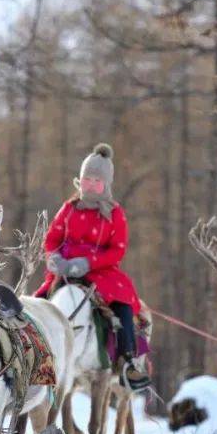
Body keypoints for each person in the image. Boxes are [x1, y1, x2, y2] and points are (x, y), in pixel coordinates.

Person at [35, 143, 151, 390]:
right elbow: (52, 238)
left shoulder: (115, 213)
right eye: (86, 180)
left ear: (106, 184)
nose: (89, 186)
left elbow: (117, 250)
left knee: (122, 305)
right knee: (39, 302)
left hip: (101, 272)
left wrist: (88, 262)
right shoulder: (69, 208)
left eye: (96, 182)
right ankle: (34, 356)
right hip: (65, 270)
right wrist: (54, 258)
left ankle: (128, 360)